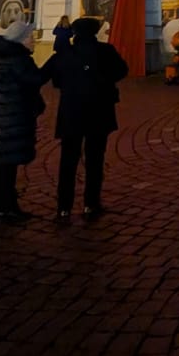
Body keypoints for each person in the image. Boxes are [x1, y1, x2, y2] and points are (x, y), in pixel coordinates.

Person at [46, 16, 127, 223]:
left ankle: (64, 207)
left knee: (68, 160)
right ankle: (91, 203)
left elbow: (55, 79)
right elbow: (122, 70)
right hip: (98, 111)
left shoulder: (66, 53)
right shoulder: (105, 51)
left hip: (71, 112)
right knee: (95, 159)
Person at [0, 19, 48, 224]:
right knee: (7, 166)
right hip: (13, 118)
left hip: (2, 117)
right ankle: (6, 209)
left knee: (0, 165)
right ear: (20, 40)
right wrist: (54, 63)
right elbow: (35, 79)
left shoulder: (4, 58)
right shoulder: (19, 60)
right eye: (30, 37)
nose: (33, 40)